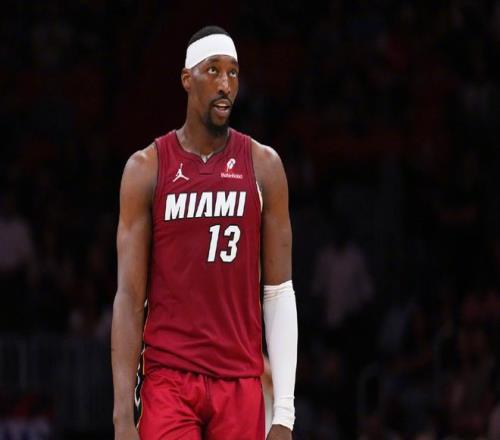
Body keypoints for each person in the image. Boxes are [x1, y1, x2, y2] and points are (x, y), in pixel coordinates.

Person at [111, 26, 298, 440]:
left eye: (233, 73)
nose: (225, 84)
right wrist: (122, 415)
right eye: (213, 70)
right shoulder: (146, 169)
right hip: (169, 378)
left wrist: (284, 412)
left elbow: (279, 291)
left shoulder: (264, 166)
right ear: (186, 78)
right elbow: (129, 296)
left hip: (240, 380)